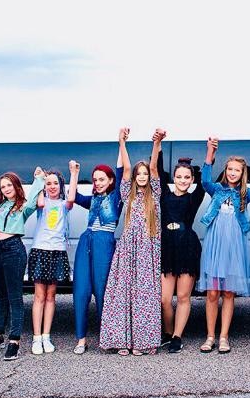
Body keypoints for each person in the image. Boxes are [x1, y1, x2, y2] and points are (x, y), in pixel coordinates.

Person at [99, 128, 163, 355]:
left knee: (145, 296)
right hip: (128, 249)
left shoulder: (155, 194)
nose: (143, 176)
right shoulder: (127, 193)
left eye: (145, 173)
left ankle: (143, 342)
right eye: (139, 174)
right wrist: (122, 142)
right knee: (123, 293)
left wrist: (156, 143)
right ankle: (122, 340)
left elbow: (154, 168)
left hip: (148, 250)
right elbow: (125, 169)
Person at [196, 137, 250, 354]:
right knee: (212, 293)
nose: (233, 173)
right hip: (215, 248)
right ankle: (210, 336)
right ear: (225, 170)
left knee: (228, 294)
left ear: (243, 174)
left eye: (237, 170)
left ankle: (224, 337)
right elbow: (205, 180)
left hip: (233, 249)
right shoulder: (216, 189)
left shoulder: (245, 194)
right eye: (230, 169)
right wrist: (210, 153)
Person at [0, 168, 46, 361]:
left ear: (16, 186)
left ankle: (14, 340)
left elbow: (35, 197)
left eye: (9, 185)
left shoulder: (23, 206)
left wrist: (39, 179)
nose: (6, 189)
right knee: (0, 294)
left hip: (13, 249)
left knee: (14, 296)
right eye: (2, 187)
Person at [68, 143, 125, 354]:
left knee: (103, 291)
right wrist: (75, 174)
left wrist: (121, 143)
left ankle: (107, 337)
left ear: (110, 180)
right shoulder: (92, 199)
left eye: (102, 179)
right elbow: (73, 197)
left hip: (105, 243)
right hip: (86, 242)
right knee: (81, 290)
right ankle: (81, 339)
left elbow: (121, 170)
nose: (98, 183)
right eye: (95, 180)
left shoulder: (117, 196)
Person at [155, 135, 205, 354]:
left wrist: (210, 153)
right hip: (167, 248)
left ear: (192, 179)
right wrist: (157, 144)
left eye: (187, 177)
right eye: (179, 176)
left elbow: (205, 180)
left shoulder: (194, 197)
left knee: (183, 297)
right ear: (173, 177)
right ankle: (167, 333)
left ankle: (177, 336)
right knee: (165, 299)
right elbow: (157, 170)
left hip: (187, 248)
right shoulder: (164, 194)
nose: (183, 180)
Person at [28, 168, 74, 355]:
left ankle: (46, 336)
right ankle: (36, 337)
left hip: (57, 251)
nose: (52, 186)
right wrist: (39, 179)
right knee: (39, 296)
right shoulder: (43, 202)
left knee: (51, 296)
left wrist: (74, 173)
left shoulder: (64, 204)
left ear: (61, 186)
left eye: (56, 183)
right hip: (41, 250)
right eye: (49, 183)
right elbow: (39, 202)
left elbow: (71, 199)